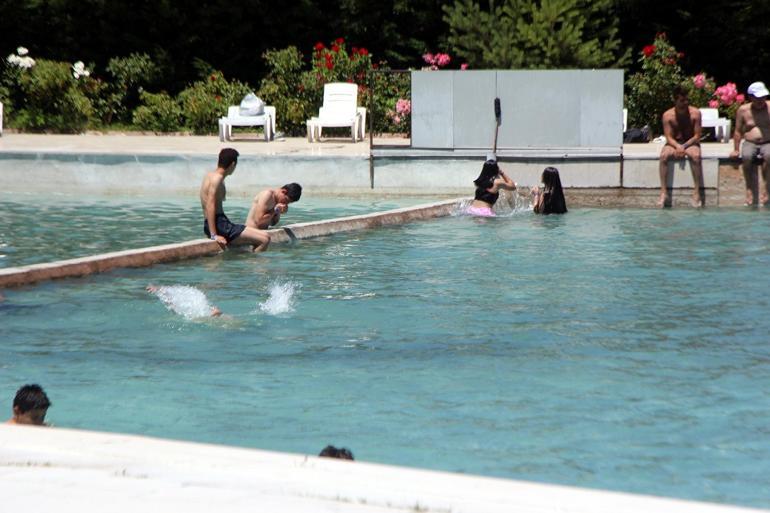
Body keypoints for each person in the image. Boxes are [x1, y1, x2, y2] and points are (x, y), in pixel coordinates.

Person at [200, 148, 272, 252]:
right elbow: (210, 206)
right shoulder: (217, 179)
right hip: (219, 225)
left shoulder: (209, 175)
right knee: (264, 240)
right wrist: (214, 235)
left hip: (220, 223)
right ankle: (255, 266)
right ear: (233, 164)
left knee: (266, 235)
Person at [657, 86, 704, 208]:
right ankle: (663, 192)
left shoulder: (695, 113)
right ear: (675, 100)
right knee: (663, 156)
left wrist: (684, 146)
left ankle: (697, 192)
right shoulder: (668, 115)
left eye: (686, 100)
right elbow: (668, 137)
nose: (685, 103)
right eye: (682, 101)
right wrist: (678, 146)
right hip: (674, 142)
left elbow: (697, 136)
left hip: (690, 142)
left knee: (696, 156)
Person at [730, 81, 770, 206]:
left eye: (763, 97)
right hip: (750, 142)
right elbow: (737, 131)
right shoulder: (743, 110)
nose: (761, 100)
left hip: (767, 141)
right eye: (758, 98)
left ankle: (767, 188)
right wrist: (736, 149)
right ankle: (749, 189)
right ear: (751, 97)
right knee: (746, 157)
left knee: (769, 156)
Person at [146, 284, 222, 317]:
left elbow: (169, 300)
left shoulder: (180, 309)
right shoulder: (181, 308)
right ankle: (214, 313)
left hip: (202, 316)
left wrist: (159, 290)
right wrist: (159, 290)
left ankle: (213, 314)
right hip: (208, 313)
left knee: (198, 318)